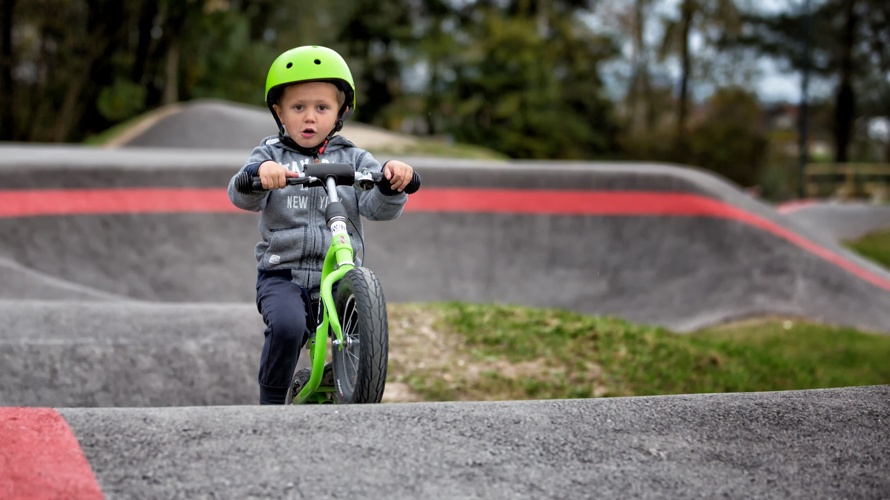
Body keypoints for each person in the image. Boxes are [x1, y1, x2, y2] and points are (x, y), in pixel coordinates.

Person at [227, 45, 416, 405]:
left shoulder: (355, 158)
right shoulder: (270, 154)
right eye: (298, 108)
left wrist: (392, 184)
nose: (309, 118)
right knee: (288, 326)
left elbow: (378, 208)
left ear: (341, 111)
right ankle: (271, 401)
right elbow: (240, 195)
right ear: (279, 111)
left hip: (341, 274)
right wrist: (257, 176)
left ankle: (351, 374)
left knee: (363, 313)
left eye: (322, 108)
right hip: (284, 274)